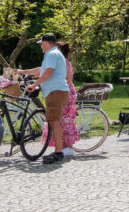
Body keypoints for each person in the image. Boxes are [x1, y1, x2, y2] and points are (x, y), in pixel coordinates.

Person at [16, 33, 69, 164]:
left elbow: (48, 72)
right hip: (56, 91)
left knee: (54, 121)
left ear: (45, 43)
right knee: (53, 120)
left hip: (55, 91)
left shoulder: (51, 54)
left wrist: (35, 85)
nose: (40, 46)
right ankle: (58, 151)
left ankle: (58, 152)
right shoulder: (54, 54)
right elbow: (41, 70)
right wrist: (22, 72)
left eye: (41, 44)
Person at [53, 41, 81, 157]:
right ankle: (63, 146)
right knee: (62, 120)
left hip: (66, 92)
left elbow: (68, 79)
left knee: (66, 120)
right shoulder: (61, 62)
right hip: (62, 91)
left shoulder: (64, 62)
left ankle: (68, 147)